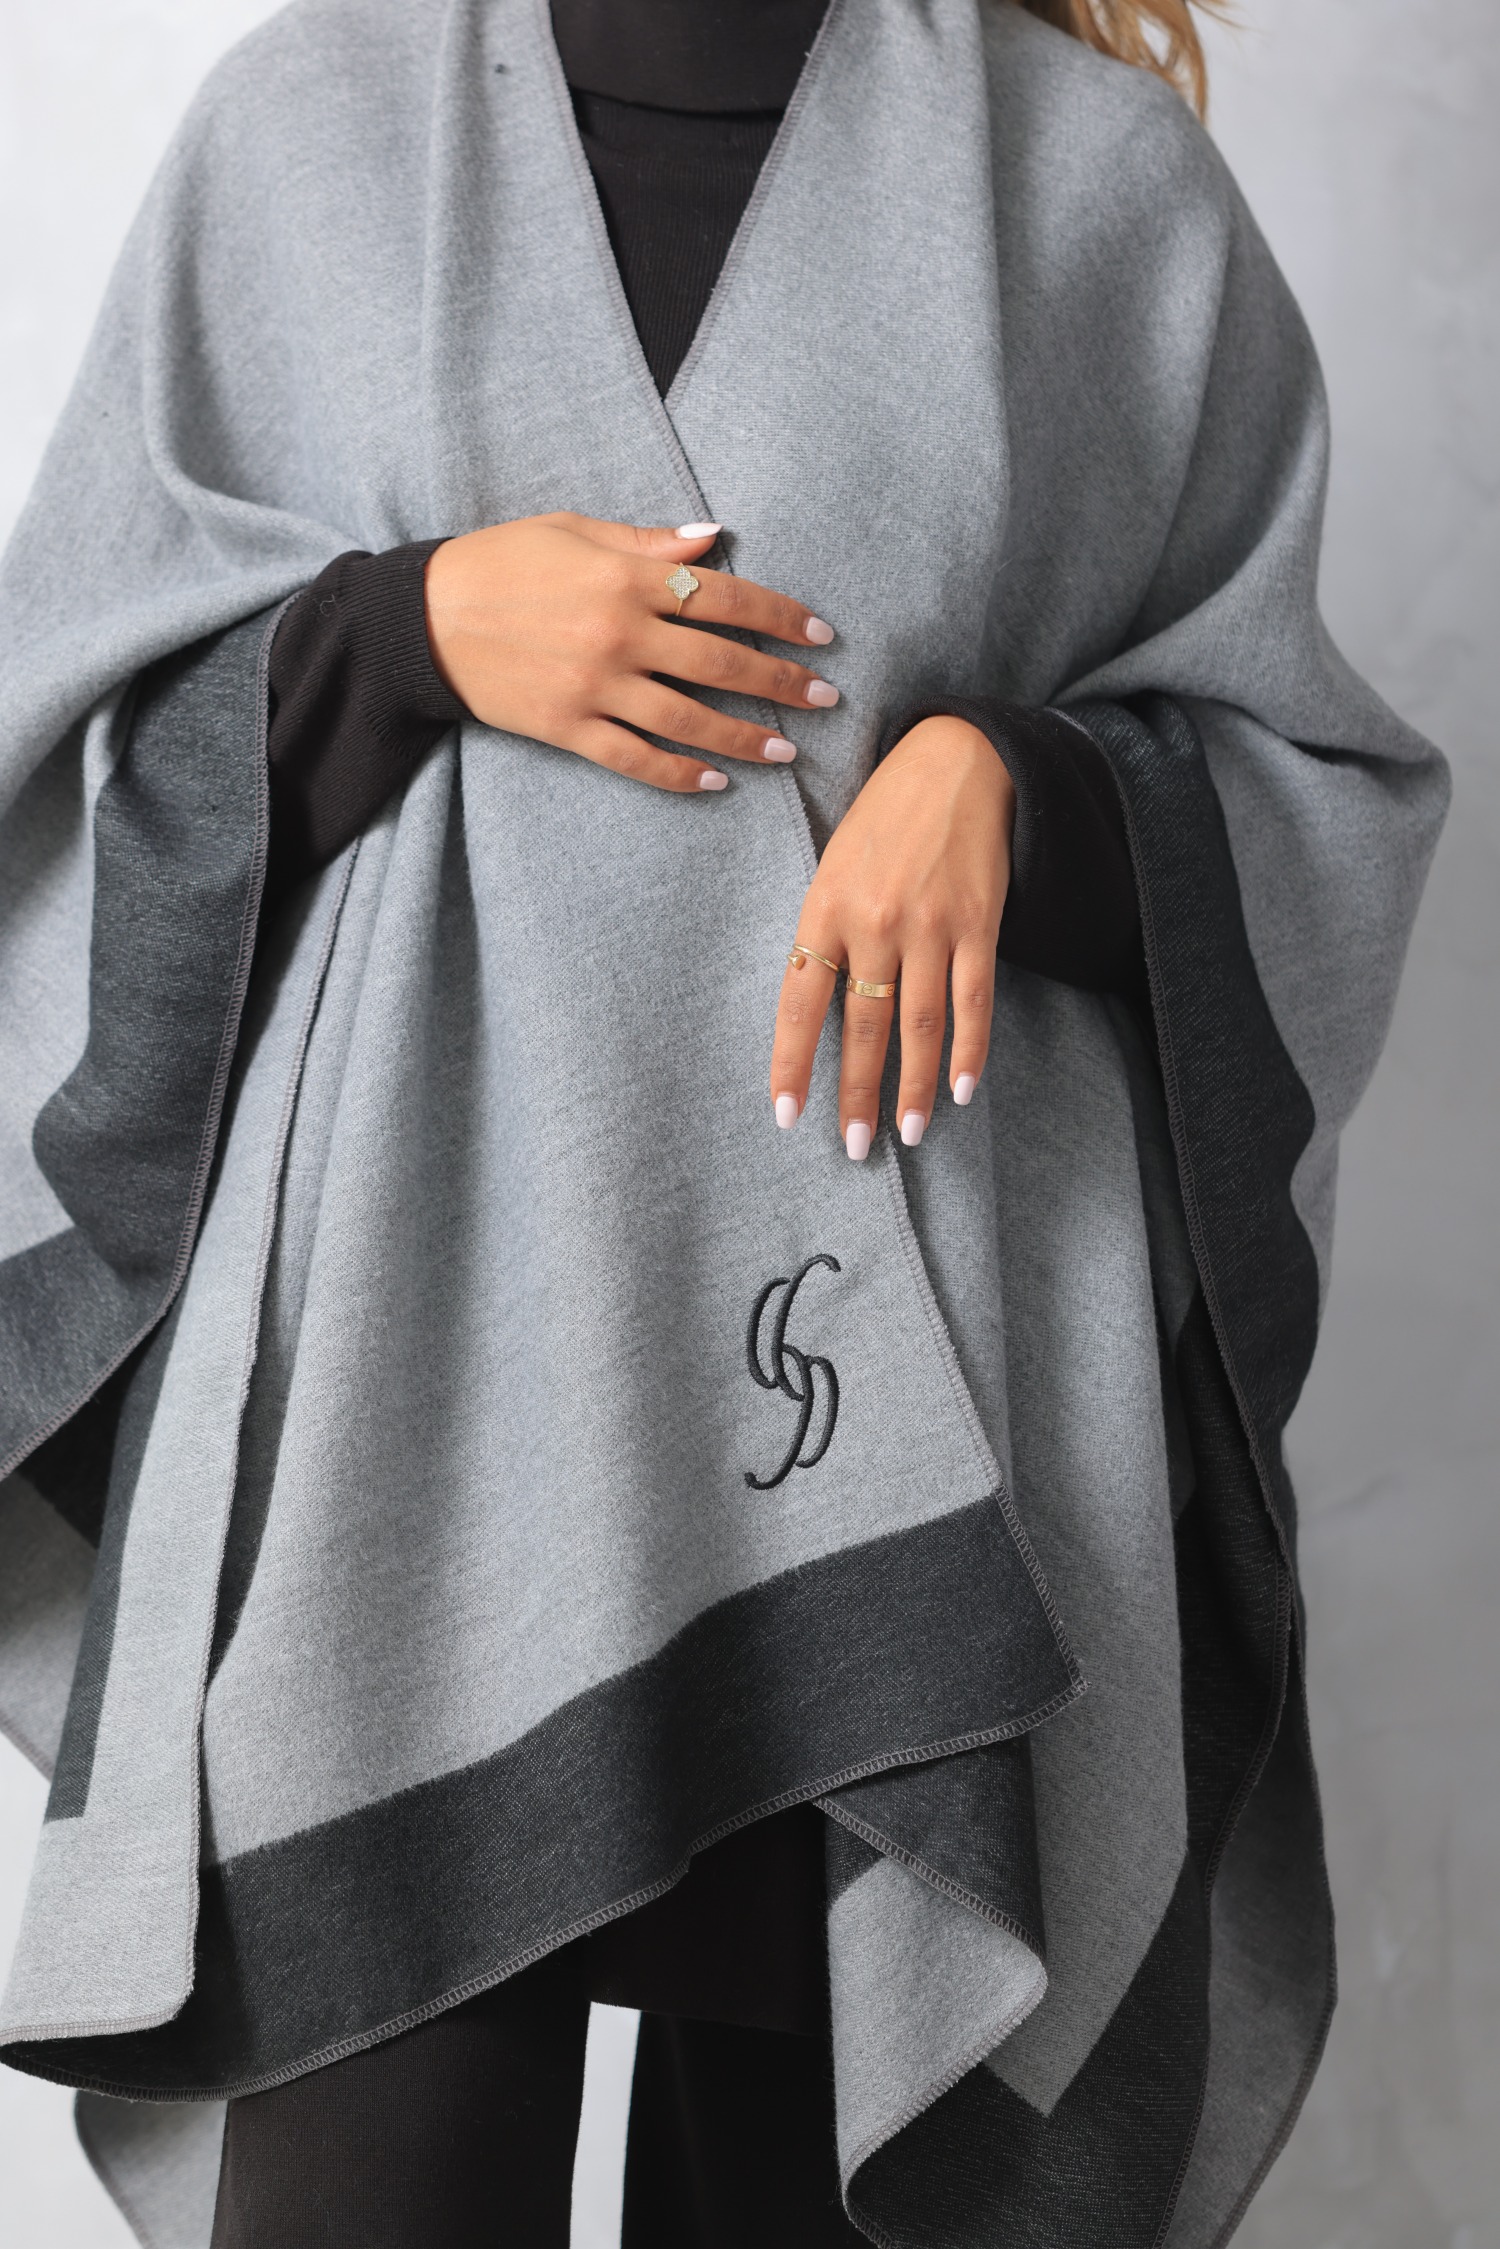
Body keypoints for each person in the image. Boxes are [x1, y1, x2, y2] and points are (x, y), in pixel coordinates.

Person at [0, 1, 1448, 2245]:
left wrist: (1023, 787)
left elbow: (1307, 791)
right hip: (405, 1440)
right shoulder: (306, 132)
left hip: (911, 1468)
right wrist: (399, 630)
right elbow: (75, 737)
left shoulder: (1095, 193)